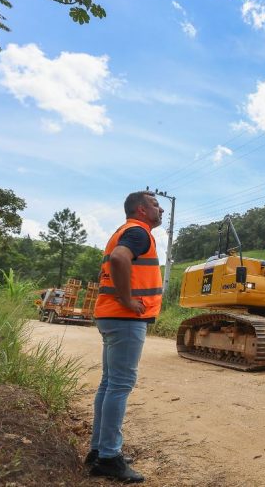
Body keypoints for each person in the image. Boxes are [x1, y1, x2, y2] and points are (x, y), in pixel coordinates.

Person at [86, 190, 164, 483]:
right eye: (156, 205)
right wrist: (128, 300)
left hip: (109, 316)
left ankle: (98, 450)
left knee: (108, 385)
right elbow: (120, 260)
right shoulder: (138, 233)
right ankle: (109, 457)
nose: (160, 210)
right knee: (119, 385)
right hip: (126, 318)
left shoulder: (123, 231)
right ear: (141, 210)